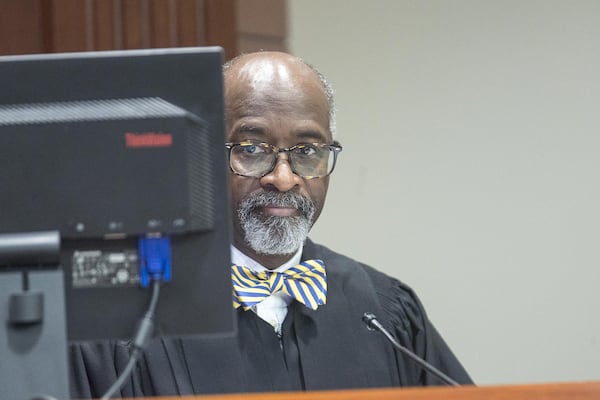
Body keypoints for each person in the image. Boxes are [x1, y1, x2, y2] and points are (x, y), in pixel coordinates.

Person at [69, 51, 472, 398]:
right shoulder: (121, 324)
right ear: (202, 154)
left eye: (307, 151)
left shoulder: (384, 311)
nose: (283, 178)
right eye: (251, 149)